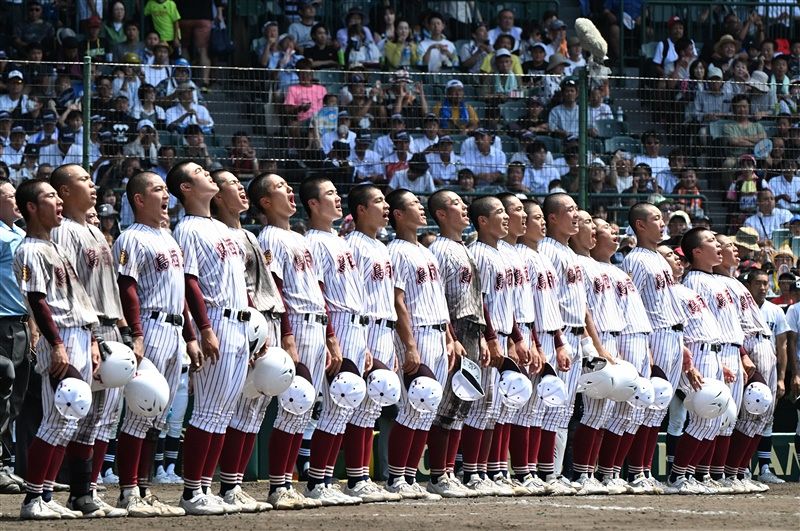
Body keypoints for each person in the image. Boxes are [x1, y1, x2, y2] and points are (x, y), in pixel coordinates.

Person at [13, 178, 101, 519]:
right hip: (61, 336)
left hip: (78, 333)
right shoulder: (30, 249)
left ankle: (46, 496)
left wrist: (90, 339)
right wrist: (57, 345)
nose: (58, 202)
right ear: (31, 207)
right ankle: (33, 500)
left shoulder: (56, 246)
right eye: (50, 196)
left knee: (68, 422)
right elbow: (37, 301)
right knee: (55, 420)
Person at [166, 161, 250, 515]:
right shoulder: (187, 228)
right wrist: (203, 329)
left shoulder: (222, 228)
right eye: (200, 172)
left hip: (239, 322)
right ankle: (192, 491)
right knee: (207, 412)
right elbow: (189, 282)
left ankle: (205, 487)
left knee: (223, 412)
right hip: (215, 319)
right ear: (185, 188)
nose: (208, 175)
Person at [48, 165, 132, 517]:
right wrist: (95, 337)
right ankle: (48, 493)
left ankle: (86, 493)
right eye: (83, 179)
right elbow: (72, 289)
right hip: (85, 331)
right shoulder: (64, 231)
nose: (92, 184)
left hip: (108, 329)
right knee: (72, 417)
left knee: (100, 420)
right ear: (65, 192)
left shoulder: (96, 231)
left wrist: (123, 331)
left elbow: (108, 287)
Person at [248, 173, 325, 510]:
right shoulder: (269, 237)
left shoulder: (300, 238)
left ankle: (288, 483)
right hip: (295, 323)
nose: (290, 190)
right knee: (293, 406)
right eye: (281, 187)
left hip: (317, 322)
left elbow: (318, 289)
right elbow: (275, 290)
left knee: (303, 409)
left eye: (288, 185)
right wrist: (289, 336)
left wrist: (331, 337)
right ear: (265, 202)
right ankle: (279, 485)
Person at [209, 169, 280, 512]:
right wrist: (255, 331)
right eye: (232, 184)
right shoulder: (220, 234)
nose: (240, 188)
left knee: (255, 410)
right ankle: (225, 485)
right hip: (244, 324)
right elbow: (239, 289)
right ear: (217, 196)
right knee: (234, 409)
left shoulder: (249, 235)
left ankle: (234, 484)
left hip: (265, 320)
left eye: (241, 183)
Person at [383, 188, 460, 498]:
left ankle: (410, 478)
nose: (421, 207)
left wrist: (450, 338)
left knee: (427, 410)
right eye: (414, 203)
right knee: (412, 407)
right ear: (399, 214)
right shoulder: (396, 250)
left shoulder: (427, 252)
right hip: (417, 334)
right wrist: (410, 345)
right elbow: (398, 301)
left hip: (438, 333)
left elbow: (439, 299)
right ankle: (396, 478)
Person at [426, 190, 499, 497]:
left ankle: (448, 472)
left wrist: (483, 335)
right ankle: (438, 475)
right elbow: (438, 297)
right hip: (454, 328)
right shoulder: (440, 249)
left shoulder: (463, 248)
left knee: (462, 402)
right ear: (441, 214)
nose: (464, 207)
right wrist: (451, 336)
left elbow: (478, 298)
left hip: (471, 328)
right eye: (456, 203)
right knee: (446, 404)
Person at [538, 193, 611, 489]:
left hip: (573, 333)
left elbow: (579, 305)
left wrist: (586, 341)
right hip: (555, 333)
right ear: (553, 218)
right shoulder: (547, 249)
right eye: (569, 210)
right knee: (549, 407)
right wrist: (558, 340)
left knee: (564, 409)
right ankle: (544, 473)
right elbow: (548, 299)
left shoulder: (568, 252)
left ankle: (553, 474)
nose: (575, 215)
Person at [341, 185, 402, 502]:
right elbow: (355, 298)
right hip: (364, 328)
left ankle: (362, 477)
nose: (386, 206)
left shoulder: (382, 246)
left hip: (385, 329)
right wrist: (362, 343)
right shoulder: (353, 245)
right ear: (361, 210)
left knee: (371, 409)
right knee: (358, 407)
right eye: (378, 201)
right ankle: (356, 478)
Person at [624, 203, 688, 492]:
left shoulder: (659, 259)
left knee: (659, 408)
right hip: (654, 334)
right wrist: (646, 346)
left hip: (673, 334)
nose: (663, 224)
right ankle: (635, 471)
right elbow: (631, 303)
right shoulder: (636, 259)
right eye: (656, 219)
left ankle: (645, 470)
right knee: (647, 405)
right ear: (640, 225)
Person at [0, 178, 30, 495]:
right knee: (2, 395)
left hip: (23, 323)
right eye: (10, 196)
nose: (17, 200)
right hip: (3, 323)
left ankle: (9, 465)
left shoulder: (21, 235)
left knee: (17, 399)